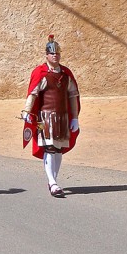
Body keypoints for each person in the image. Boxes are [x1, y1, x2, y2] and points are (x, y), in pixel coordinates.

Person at [22, 34, 81, 198]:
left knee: (58, 149)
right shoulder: (41, 73)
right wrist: (27, 111)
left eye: (57, 53)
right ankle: (52, 182)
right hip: (43, 119)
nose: (55, 56)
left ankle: (53, 180)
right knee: (49, 147)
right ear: (47, 55)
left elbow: (73, 96)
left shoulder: (66, 74)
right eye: (52, 53)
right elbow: (33, 94)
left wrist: (74, 117)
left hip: (62, 118)